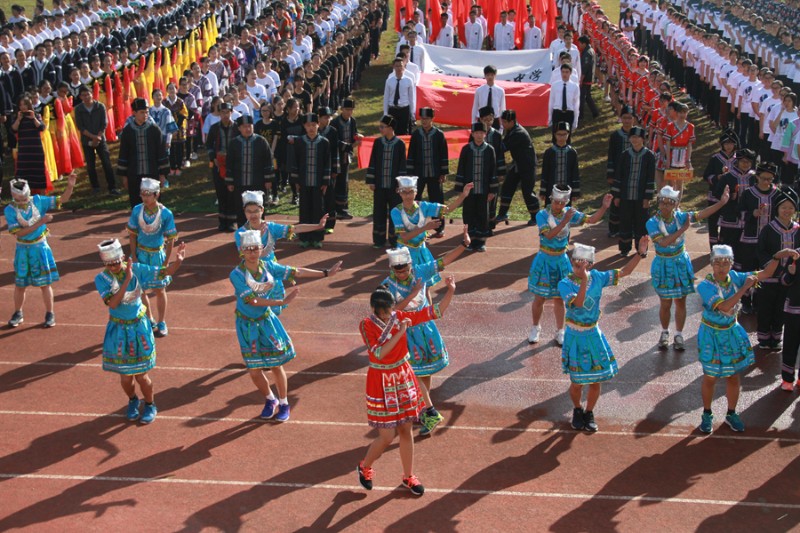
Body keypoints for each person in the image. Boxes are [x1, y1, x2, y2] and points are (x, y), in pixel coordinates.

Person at [357, 277, 457, 497]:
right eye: (382, 312)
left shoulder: (399, 316)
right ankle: (365, 466)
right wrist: (401, 332)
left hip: (402, 375)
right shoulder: (366, 325)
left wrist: (450, 291)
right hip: (381, 381)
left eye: (388, 311)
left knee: (405, 429)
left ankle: (408, 476)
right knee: (386, 436)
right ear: (374, 309)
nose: (386, 316)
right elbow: (379, 353)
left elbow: (434, 312)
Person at [230, 230, 342, 422]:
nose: (252, 252)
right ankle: (269, 399)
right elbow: (252, 301)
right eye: (248, 249)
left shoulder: (269, 267)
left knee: (275, 365)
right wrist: (281, 302)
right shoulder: (236, 275)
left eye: (255, 248)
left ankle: (283, 402)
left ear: (261, 249)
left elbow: (296, 271)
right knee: (254, 371)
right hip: (247, 325)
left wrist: (325, 273)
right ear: (241, 251)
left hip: (266, 322)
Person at [696, 245, 797, 434]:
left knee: (733, 375)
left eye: (726, 263)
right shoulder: (705, 286)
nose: (722, 267)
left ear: (731, 264)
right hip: (711, 335)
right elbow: (725, 307)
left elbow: (765, 273)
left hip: (730, 332)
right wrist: (745, 288)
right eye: (717, 262)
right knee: (710, 376)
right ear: (711, 263)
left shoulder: (734, 277)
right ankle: (707, 414)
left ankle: (731, 413)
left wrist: (776, 256)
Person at [383, 228, 470, 435]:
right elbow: (392, 311)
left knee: (423, 372)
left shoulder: (421, 271)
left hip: (424, 328)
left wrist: (464, 245)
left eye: (405, 270)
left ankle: (427, 411)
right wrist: (413, 293)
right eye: (398, 271)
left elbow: (444, 261)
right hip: (406, 331)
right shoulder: (386, 286)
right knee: (414, 373)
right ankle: (426, 410)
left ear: (411, 266)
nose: (402, 274)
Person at [559, 239, 649, 432]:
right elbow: (579, 304)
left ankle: (589, 412)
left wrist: (639, 254)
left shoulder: (598, 277)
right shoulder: (564, 284)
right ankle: (577, 409)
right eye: (575, 262)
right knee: (576, 382)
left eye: (582, 263)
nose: (577, 266)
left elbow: (624, 272)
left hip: (592, 333)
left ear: (590, 264)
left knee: (595, 380)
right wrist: (583, 280)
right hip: (575, 336)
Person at [95, 238, 186, 425]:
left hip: (139, 328)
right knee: (126, 378)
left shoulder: (137, 269)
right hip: (119, 330)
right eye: (109, 264)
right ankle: (133, 400)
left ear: (122, 257)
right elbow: (113, 303)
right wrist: (127, 279)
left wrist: (177, 263)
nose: (114, 266)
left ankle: (150, 404)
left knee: (142, 375)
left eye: (117, 262)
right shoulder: (101, 279)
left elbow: (162, 272)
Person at [648, 184, 730, 351]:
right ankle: (664, 332)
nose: (665, 206)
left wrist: (721, 203)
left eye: (669, 203)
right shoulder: (652, 222)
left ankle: (678, 334)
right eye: (662, 202)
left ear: (675, 204)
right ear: (658, 202)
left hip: (680, 263)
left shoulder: (681, 217)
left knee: (681, 301)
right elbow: (663, 242)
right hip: (663, 264)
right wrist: (684, 229)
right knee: (665, 302)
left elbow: (701, 214)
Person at [528, 186, 613, 345]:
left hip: (561, 260)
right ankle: (535, 327)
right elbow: (549, 235)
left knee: (559, 298)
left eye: (562, 202)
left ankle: (560, 330)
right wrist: (566, 220)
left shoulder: (569, 213)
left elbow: (591, 220)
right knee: (539, 297)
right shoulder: (542, 215)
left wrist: (604, 207)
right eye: (556, 202)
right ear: (551, 199)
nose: (558, 205)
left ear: (566, 201)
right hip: (544, 260)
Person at [5, 175, 76, 328]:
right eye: (20, 198)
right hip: (23, 249)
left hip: (40, 247)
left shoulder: (38, 200)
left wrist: (69, 186)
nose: (23, 200)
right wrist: (41, 222)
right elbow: (19, 233)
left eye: (24, 197)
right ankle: (18, 312)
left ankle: (50, 313)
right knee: (20, 285)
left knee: (45, 284)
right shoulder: (9, 210)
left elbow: (61, 200)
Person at [391, 176, 471, 284]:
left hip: (421, 249)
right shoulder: (396, 212)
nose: (408, 195)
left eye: (411, 192)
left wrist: (463, 195)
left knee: (426, 284)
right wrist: (425, 228)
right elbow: (405, 237)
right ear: (399, 193)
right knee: (407, 283)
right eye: (404, 192)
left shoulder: (423, 206)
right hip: (405, 252)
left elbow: (447, 209)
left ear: (416, 192)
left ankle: (428, 301)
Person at [127, 178, 178, 337]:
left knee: (159, 289)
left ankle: (162, 321)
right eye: (143, 194)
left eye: (148, 194)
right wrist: (134, 256)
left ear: (156, 194)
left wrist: (166, 261)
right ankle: (149, 317)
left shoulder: (166, 214)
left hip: (157, 255)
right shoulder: (137, 210)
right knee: (139, 288)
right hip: (141, 254)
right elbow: (132, 235)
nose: (145, 198)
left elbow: (170, 240)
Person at [755, 188, 800, 351]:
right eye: (783, 207)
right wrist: (772, 261)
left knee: (781, 308)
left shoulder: (798, 229)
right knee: (766, 307)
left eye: (791, 207)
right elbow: (760, 251)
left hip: (789, 278)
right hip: (770, 277)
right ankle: (764, 338)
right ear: (777, 210)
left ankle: (776, 337)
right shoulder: (769, 229)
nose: (787, 211)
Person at [611, 126, 657, 257]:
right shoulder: (625, 155)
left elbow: (650, 178)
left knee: (641, 223)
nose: (635, 140)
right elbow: (619, 175)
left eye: (637, 137)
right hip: (626, 195)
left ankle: (641, 248)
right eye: (632, 137)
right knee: (625, 221)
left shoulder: (649, 156)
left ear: (643, 139)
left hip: (641, 197)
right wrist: (617, 195)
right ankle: (624, 248)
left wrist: (647, 198)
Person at [116, 97, 169, 209]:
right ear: (134, 113)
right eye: (142, 112)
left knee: (154, 204)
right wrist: (124, 176)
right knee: (136, 204)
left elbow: (161, 152)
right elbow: (124, 153)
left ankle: (155, 225)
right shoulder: (128, 131)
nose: (145, 115)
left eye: (147, 112)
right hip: (134, 174)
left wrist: (162, 174)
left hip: (152, 173)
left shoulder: (154, 130)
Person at [290, 112, 331, 248]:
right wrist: (296, 182)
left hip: (318, 183)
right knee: (305, 210)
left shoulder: (324, 142)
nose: (311, 128)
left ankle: (317, 237)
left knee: (318, 210)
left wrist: (325, 182)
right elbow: (295, 161)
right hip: (304, 182)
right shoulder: (300, 142)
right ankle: (305, 237)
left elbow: (327, 163)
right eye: (308, 125)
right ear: (304, 126)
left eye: (314, 125)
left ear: (318, 125)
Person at [226, 114, 275, 228]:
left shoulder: (261, 141)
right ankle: (243, 237)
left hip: (257, 183)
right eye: (244, 126)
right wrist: (230, 182)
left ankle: (259, 236)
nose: (247, 129)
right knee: (241, 210)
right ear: (239, 128)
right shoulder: (234, 143)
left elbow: (268, 162)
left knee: (258, 210)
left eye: (249, 126)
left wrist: (268, 180)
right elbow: (230, 163)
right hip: (240, 183)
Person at [455, 122, 497, 252]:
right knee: (468, 214)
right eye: (476, 133)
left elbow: (493, 171)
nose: (479, 135)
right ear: (472, 134)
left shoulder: (490, 150)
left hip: (483, 189)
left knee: (482, 215)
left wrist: (492, 190)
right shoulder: (466, 149)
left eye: (481, 133)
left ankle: (480, 242)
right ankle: (470, 240)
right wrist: (461, 189)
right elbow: (461, 168)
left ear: (485, 134)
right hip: (469, 190)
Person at [406, 107, 449, 237]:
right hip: (418, 174)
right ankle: (415, 226)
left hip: (435, 174)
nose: (424, 121)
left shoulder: (439, 135)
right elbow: (411, 155)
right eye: (422, 119)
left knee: (437, 201)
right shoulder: (416, 135)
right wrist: (410, 173)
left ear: (432, 119)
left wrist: (443, 172)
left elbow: (443, 155)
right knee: (415, 200)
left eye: (427, 119)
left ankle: (439, 227)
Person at [366, 114, 407, 249]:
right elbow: (372, 161)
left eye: (382, 127)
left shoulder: (400, 144)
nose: (380, 129)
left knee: (395, 213)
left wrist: (400, 184)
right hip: (379, 185)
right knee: (378, 212)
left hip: (394, 186)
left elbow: (402, 166)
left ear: (390, 128)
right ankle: (378, 240)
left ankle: (395, 240)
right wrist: (371, 180)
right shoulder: (378, 143)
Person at [73, 84, 119, 195]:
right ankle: (95, 187)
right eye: (83, 95)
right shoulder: (79, 109)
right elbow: (81, 127)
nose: (86, 97)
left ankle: (112, 187)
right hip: (87, 140)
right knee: (90, 165)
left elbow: (104, 124)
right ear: (80, 97)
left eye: (88, 94)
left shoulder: (100, 106)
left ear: (92, 94)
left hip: (100, 139)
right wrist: (94, 137)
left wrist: (98, 137)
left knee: (106, 163)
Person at [496, 110, 538, 225]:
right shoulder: (511, 130)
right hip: (517, 164)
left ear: (512, 121)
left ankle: (536, 217)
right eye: (502, 121)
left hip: (528, 166)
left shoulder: (519, 133)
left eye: (505, 122)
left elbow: (503, 147)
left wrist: (491, 140)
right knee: (507, 187)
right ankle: (502, 214)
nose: (503, 124)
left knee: (527, 192)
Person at [702, 130, 739, 249]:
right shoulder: (715, 158)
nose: (729, 146)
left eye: (731, 143)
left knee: (726, 223)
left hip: (731, 197)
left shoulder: (738, 159)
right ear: (722, 144)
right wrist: (717, 177)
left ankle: (723, 247)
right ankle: (713, 247)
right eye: (726, 143)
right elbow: (706, 176)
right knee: (713, 221)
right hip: (715, 196)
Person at [206, 102, 239, 232]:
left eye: (228, 112)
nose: (225, 115)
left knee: (232, 192)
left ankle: (232, 221)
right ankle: (222, 221)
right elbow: (208, 145)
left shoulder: (237, 127)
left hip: (233, 165)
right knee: (221, 192)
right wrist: (213, 157)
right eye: (223, 112)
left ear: (232, 112)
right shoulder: (214, 128)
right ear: (219, 114)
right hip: (218, 165)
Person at [605, 106, 636, 238]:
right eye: (624, 118)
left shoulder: (638, 135)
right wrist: (610, 174)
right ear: (620, 118)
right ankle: (614, 228)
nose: (627, 121)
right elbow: (611, 155)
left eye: (629, 118)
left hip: (634, 174)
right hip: (618, 174)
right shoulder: (616, 136)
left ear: (633, 119)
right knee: (616, 200)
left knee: (632, 202)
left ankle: (630, 228)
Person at [11, 96, 50, 194]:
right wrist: (19, 119)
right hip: (24, 150)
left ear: (29, 104)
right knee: (22, 173)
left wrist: (33, 118)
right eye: (20, 105)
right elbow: (13, 129)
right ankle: (22, 196)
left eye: (25, 104)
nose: (23, 107)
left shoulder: (36, 115)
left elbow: (42, 127)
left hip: (36, 149)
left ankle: (42, 196)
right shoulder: (17, 117)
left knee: (39, 172)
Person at [330, 97, 360, 220]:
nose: (349, 112)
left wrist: (357, 137)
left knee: (344, 183)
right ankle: (334, 208)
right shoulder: (335, 123)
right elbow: (335, 141)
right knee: (335, 183)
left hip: (346, 157)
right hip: (336, 156)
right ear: (342, 109)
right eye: (347, 109)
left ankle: (343, 208)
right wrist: (350, 146)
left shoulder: (352, 121)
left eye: (351, 110)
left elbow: (354, 134)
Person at [539, 122, 581, 204]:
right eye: (559, 134)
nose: (562, 137)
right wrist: (543, 191)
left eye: (564, 134)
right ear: (555, 135)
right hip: (551, 189)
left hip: (567, 190)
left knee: (565, 213)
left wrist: (575, 192)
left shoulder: (572, 152)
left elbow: (575, 172)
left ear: (568, 134)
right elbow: (545, 172)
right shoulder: (549, 152)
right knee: (550, 211)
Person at [383, 58, 415, 135]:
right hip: (392, 109)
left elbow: (411, 98)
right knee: (391, 131)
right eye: (396, 66)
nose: (399, 68)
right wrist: (385, 112)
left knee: (404, 131)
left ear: (404, 66)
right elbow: (386, 97)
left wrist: (412, 112)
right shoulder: (389, 81)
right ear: (393, 67)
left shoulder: (409, 80)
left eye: (400, 66)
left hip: (404, 109)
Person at [549, 64, 580, 135]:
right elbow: (551, 101)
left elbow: (576, 103)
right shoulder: (555, 85)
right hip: (557, 112)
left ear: (570, 73)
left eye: (567, 72)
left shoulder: (575, 86)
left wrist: (576, 119)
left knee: (567, 136)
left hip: (569, 112)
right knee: (556, 135)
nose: (564, 74)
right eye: (563, 72)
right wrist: (550, 116)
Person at [577, 35, 599, 122]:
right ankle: (595, 112)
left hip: (586, 78)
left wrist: (581, 79)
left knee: (582, 97)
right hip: (590, 77)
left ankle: (580, 115)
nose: (579, 45)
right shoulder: (591, 50)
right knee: (588, 97)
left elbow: (584, 68)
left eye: (580, 43)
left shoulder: (587, 53)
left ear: (584, 43)